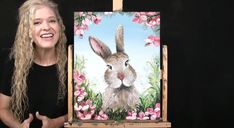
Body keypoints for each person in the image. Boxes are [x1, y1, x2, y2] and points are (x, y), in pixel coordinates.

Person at [0, 0, 68, 127]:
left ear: (59, 25)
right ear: (27, 30)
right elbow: (2, 108)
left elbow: (80, 112)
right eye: (37, 22)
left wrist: (55, 123)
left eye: (52, 20)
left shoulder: (74, 63)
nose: (46, 27)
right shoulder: (14, 63)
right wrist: (18, 126)